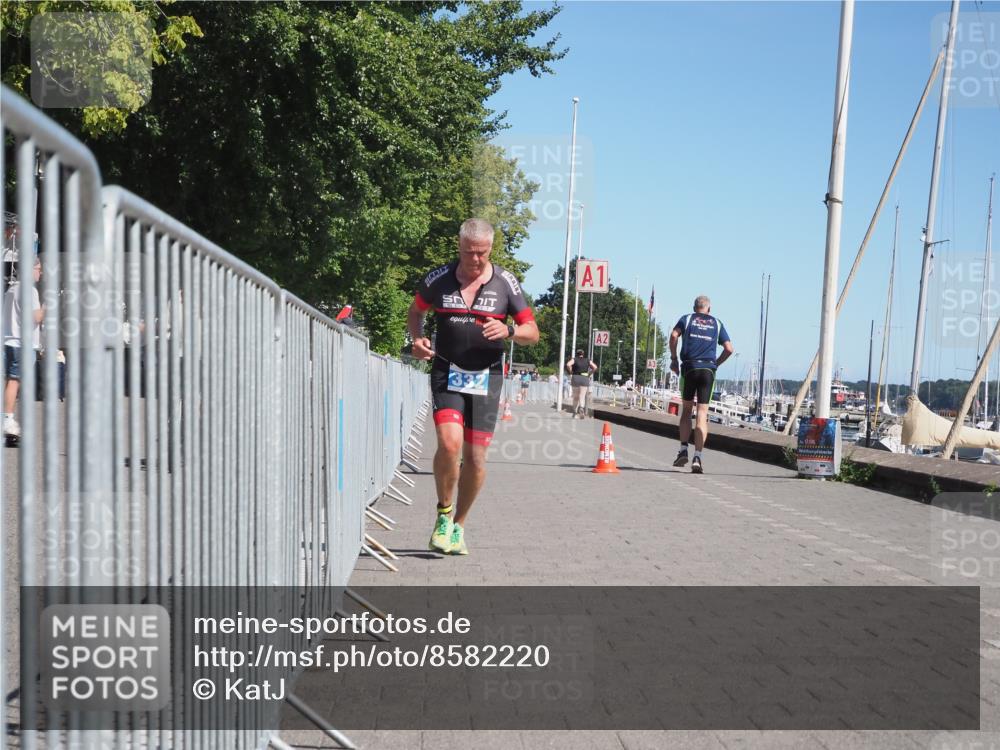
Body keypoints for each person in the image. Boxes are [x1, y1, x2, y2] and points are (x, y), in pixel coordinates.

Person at [408, 218, 539, 555]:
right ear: (459, 246)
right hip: (446, 370)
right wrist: (417, 338)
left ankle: (458, 526)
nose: (476, 260)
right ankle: (443, 512)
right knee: (449, 445)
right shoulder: (438, 279)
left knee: (476, 459)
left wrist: (509, 331)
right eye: (469, 253)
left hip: (487, 375)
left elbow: (532, 332)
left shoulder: (506, 283)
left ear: (491, 249)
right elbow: (416, 312)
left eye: (482, 253)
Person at [669, 295, 734, 474]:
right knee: (702, 414)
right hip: (708, 371)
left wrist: (674, 359)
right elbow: (729, 349)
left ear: (694, 307)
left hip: (689, 368)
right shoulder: (717, 323)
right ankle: (697, 456)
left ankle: (683, 449)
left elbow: (674, 336)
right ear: (709, 309)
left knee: (687, 410)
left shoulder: (687, 319)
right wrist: (716, 364)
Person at [3, 257, 44, 439]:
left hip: (10, 340)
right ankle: (7, 419)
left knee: (11, 381)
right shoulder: (30, 291)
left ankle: (8, 417)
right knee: (14, 381)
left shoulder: (11, 289)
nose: (40, 272)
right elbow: (35, 317)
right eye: (38, 268)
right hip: (22, 342)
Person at [565, 349, 597, 419]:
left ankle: (574, 412)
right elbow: (595, 367)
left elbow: (568, 364)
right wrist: (589, 374)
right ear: (583, 354)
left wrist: (571, 371)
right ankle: (581, 408)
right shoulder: (588, 360)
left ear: (577, 354)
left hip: (576, 378)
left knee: (575, 397)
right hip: (585, 378)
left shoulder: (574, 359)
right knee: (582, 396)